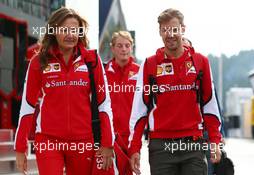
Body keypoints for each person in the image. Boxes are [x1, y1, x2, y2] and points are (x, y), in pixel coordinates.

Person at [14, 7, 115, 175]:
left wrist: (107, 142)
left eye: (74, 30)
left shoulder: (91, 60)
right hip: (48, 140)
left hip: (83, 141)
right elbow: (27, 106)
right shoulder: (38, 62)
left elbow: (104, 104)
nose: (70, 34)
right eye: (64, 29)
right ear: (53, 31)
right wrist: (20, 146)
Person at [129, 8, 222, 175]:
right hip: (161, 147)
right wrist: (134, 147)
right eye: (164, 30)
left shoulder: (201, 62)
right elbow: (140, 110)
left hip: (193, 144)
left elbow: (209, 105)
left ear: (183, 29)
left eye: (174, 29)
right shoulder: (149, 65)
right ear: (159, 32)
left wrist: (215, 140)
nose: (169, 34)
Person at [104, 31, 140, 175]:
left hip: (130, 136)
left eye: (127, 45)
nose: (123, 49)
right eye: (119, 46)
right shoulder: (104, 72)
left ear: (132, 47)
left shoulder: (140, 72)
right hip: (108, 135)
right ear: (112, 48)